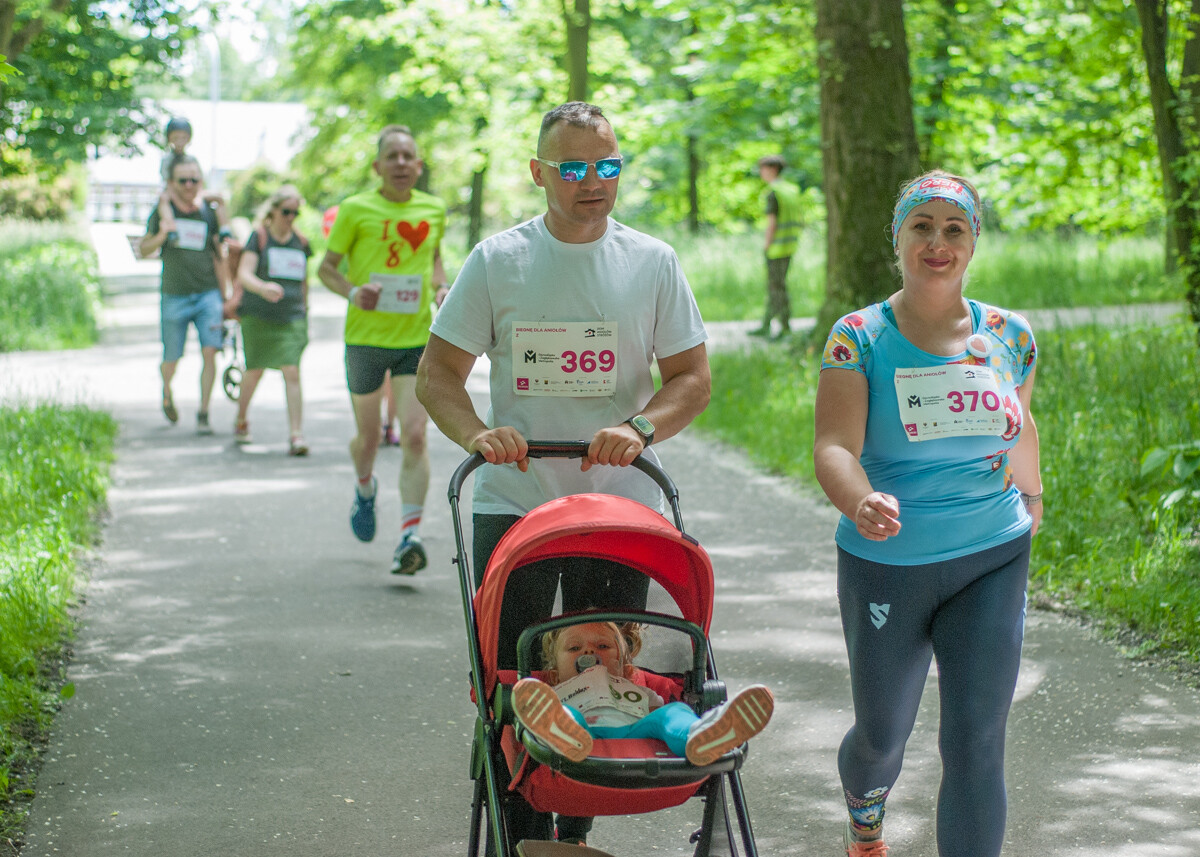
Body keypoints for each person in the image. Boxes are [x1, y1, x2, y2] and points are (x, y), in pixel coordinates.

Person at [416, 101, 711, 848]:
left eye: (607, 165)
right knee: (514, 686)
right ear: (538, 173)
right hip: (517, 501)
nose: (592, 181)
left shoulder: (652, 261)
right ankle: (524, 838)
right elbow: (438, 375)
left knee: (600, 679)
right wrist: (479, 434)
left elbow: (691, 379)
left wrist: (638, 428)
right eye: (573, 167)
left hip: (619, 505)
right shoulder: (498, 261)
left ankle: (571, 839)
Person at [813, 170, 1042, 857]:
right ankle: (865, 813)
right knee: (882, 735)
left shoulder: (1011, 334)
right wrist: (860, 499)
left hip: (992, 552)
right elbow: (833, 445)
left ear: (973, 242)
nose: (938, 242)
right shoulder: (858, 336)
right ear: (897, 237)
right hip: (888, 558)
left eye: (954, 228)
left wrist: (1032, 497)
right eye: (922, 226)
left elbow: (1020, 423)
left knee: (976, 739)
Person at [317, 125, 449, 576]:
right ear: (377, 166)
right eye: (391, 156)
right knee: (369, 438)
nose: (400, 163)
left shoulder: (433, 209)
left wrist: (441, 288)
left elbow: (433, 258)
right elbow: (326, 269)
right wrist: (353, 293)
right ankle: (364, 487)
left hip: (415, 339)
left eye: (407, 156)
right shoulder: (355, 209)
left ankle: (409, 536)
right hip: (365, 340)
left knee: (415, 434)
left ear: (419, 165)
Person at [512, 621, 774, 769]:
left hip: (635, 730)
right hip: (585, 737)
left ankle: (700, 734)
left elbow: (655, 716)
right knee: (566, 713)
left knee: (673, 712)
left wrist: (660, 714)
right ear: (555, 675)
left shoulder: (635, 689)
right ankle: (561, 731)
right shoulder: (555, 692)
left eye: (602, 645)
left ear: (626, 670)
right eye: (574, 648)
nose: (589, 652)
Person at [139, 155, 231, 434]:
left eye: (194, 179)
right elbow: (144, 249)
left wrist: (226, 296)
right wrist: (162, 234)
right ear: (171, 183)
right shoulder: (162, 211)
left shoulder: (209, 212)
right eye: (183, 180)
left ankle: (203, 412)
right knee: (172, 357)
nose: (189, 185)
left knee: (210, 351)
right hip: (174, 295)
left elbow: (219, 254)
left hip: (208, 294)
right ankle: (167, 390)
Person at [231, 185, 312, 456]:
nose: (290, 217)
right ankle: (241, 418)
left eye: (295, 213)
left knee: (292, 370)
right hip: (259, 316)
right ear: (274, 210)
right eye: (286, 211)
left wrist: (306, 309)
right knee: (254, 370)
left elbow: (304, 280)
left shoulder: (301, 241)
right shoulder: (260, 237)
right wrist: (262, 287)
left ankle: (296, 435)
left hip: (292, 318)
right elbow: (244, 273)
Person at [156, 117, 232, 250]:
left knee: (219, 197)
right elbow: (169, 185)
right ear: (169, 138)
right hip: (172, 193)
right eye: (176, 137)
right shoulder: (167, 160)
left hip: (194, 194)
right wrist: (181, 204)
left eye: (183, 137)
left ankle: (224, 229)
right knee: (163, 199)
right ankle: (171, 228)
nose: (180, 141)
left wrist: (197, 199)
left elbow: (199, 182)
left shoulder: (192, 159)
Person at [749, 155, 802, 339]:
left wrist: (766, 245)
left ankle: (785, 327)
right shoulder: (791, 190)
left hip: (776, 248)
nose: (761, 172)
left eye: (763, 168)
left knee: (777, 288)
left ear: (773, 169)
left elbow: (772, 224)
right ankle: (766, 324)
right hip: (790, 245)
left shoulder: (774, 193)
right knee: (776, 287)